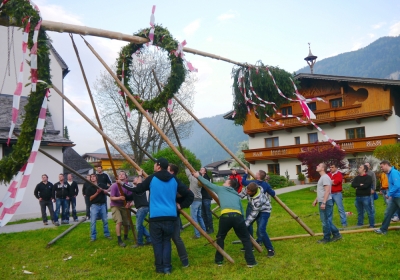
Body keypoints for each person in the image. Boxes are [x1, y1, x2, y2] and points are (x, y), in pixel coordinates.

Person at [123, 158, 193, 274]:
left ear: (159, 166)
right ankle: (167, 268)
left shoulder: (152, 178)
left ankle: (160, 268)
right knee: (166, 242)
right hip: (170, 216)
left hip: (156, 217)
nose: (154, 166)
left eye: (155, 164)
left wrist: (123, 184)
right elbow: (190, 194)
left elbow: (138, 189)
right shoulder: (174, 179)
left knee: (157, 243)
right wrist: (181, 205)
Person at [193, 171, 257, 268]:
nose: (223, 183)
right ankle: (251, 262)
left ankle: (219, 261)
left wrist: (198, 176)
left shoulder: (221, 189)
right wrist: (243, 222)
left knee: (220, 238)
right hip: (238, 217)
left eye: (225, 181)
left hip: (225, 217)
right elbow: (241, 210)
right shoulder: (236, 195)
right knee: (246, 239)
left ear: (229, 185)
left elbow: (208, 184)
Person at [167, 163, 194, 268]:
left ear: (172, 172)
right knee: (165, 239)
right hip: (162, 215)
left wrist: (181, 205)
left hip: (173, 214)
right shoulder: (160, 180)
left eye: (167, 169)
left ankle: (184, 260)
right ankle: (165, 262)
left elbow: (189, 195)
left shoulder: (175, 181)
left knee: (176, 238)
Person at [239, 182, 275, 257]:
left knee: (261, 230)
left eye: (249, 192)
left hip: (264, 211)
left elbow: (253, 215)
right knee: (248, 226)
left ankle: (270, 249)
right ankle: (250, 246)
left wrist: (245, 225)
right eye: (247, 191)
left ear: (254, 192)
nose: (247, 192)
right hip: (254, 208)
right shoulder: (248, 188)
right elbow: (240, 196)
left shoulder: (259, 199)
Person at [242, 169, 275, 244]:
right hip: (261, 206)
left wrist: (245, 174)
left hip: (254, 205)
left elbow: (243, 182)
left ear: (258, 176)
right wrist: (268, 188)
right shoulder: (265, 184)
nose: (255, 174)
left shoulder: (253, 183)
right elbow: (273, 193)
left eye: (256, 173)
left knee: (249, 221)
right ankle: (259, 240)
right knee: (259, 224)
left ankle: (251, 241)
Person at [312, 163, 342, 244]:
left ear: (322, 168)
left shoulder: (325, 177)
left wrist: (324, 203)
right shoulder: (323, 177)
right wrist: (316, 199)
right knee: (326, 220)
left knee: (325, 221)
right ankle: (336, 234)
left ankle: (327, 238)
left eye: (318, 166)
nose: (317, 166)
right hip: (323, 201)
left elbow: (327, 191)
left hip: (326, 202)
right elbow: (322, 191)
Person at [375, 160, 400, 235]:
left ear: (386, 165)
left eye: (382, 167)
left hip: (398, 196)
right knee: (388, 213)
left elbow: (397, 185)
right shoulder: (389, 174)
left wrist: (389, 194)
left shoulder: (394, 172)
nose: (381, 168)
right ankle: (383, 230)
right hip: (395, 197)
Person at [126, 175, 152, 248]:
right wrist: (123, 195)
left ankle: (140, 242)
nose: (134, 179)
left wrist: (122, 183)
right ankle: (149, 239)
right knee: (140, 225)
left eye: (135, 179)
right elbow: (129, 197)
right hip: (141, 208)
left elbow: (130, 189)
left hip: (143, 208)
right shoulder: (136, 190)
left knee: (138, 226)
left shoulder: (140, 188)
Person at [86, 174, 112, 242]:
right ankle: (93, 237)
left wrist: (106, 190)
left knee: (105, 221)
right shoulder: (89, 188)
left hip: (103, 205)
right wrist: (97, 193)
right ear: (90, 179)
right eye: (91, 177)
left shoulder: (102, 185)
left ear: (96, 178)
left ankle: (107, 234)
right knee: (93, 222)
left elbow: (110, 187)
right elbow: (90, 198)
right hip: (94, 206)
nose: (92, 178)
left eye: (94, 176)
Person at [110, 171, 132, 247]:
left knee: (126, 223)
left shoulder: (127, 186)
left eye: (123, 174)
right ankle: (119, 240)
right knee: (119, 221)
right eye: (120, 174)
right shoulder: (114, 186)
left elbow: (130, 197)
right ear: (118, 177)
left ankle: (126, 237)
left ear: (126, 177)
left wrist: (129, 203)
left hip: (124, 206)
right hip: (115, 205)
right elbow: (111, 197)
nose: (121, 175)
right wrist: (119, 197)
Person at [185, 167, 206, 239]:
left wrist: (186, 165)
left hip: (194, 201)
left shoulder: (193, 180)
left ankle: (197, 235)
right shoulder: (200, 182)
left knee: (194, 218)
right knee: (199, 217)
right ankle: (204, 231)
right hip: (200, 200)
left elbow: (188, 174)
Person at [200, 167, 214, 234]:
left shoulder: (206, 178)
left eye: (202, 169)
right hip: (202, 197)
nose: (200, 170)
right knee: (203, 214)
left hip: (206, 197)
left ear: (205, 172)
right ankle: (206, 227)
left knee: (208, 213)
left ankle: (211, 228)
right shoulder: (199, 178)